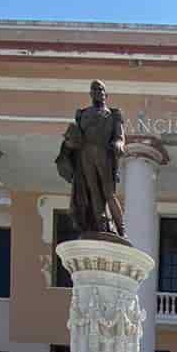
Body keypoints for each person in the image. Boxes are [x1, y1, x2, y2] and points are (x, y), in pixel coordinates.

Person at [56, 80, 126, 237]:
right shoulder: (82, 114)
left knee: (109, 193)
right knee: (93, 190)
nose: (97, 92)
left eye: (100, 89)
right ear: (90, 94)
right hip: (85, 155)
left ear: (106, 94)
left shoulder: (113, 115)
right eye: (94, 90)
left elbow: (119, 136)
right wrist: (70, 141)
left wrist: (118, 143)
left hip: (103, 155)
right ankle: (101, 224)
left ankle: (121, 230)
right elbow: (74, 136)